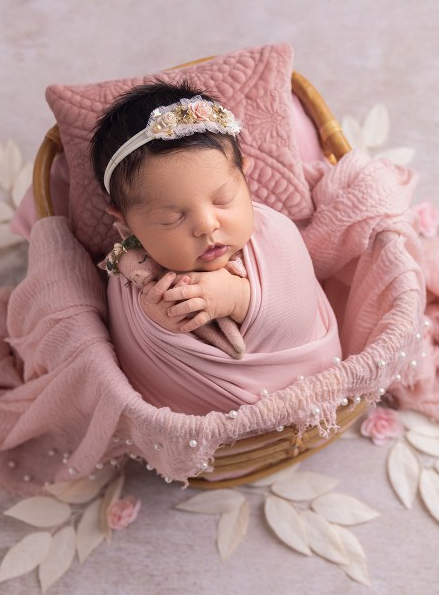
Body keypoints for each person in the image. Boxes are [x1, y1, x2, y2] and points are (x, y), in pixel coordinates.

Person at [91, 81, 342, 415]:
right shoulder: (132, 272)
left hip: (318, 390)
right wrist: (159, 323)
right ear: (125, 221)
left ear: (245, 178)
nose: (207, 225)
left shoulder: (275, 233)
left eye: (224, 200)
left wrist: (237, 296)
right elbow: (138, 357)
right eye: (171, 218)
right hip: (211, 425)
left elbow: (299, 321)